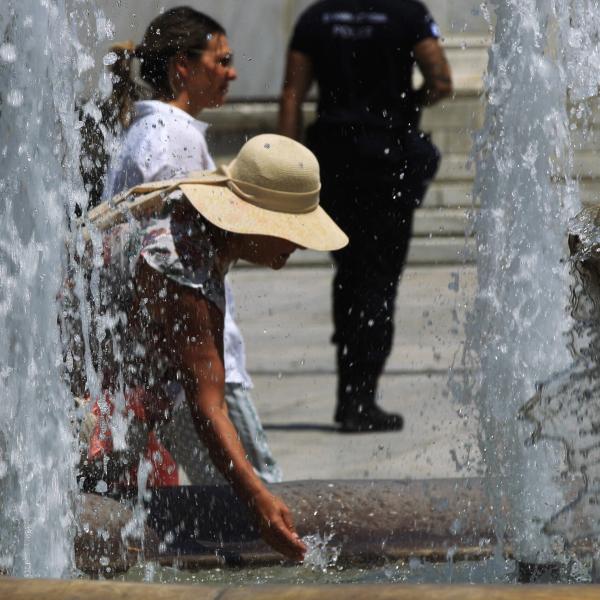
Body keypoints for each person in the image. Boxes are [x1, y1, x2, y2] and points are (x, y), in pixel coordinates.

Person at [82, 133, 348, 560]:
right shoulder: (181, 261)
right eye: (292, 231)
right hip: (71, 406)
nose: (298, 244)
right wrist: (257, 498)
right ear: (256, 218)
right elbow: (208, 407)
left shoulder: (195, 228)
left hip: (106, 395)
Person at [100, 7, 282, 484]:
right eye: (221, 60)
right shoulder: (171, 137)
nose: (232, 71)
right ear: (184, 65)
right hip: (191, 363)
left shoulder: (148, 132)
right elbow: (169, 257)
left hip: (165, 364)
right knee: (255, 493)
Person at [279, 0, 452, 432]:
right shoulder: (407, 13)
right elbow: (442, 80)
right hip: (388, 157)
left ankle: (350, 395)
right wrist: (408, 103)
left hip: (334, 159)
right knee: (379, 278)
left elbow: (292, 96)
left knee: (350, 272)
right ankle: (361, 397)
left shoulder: (316, 18)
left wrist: (285, 163)